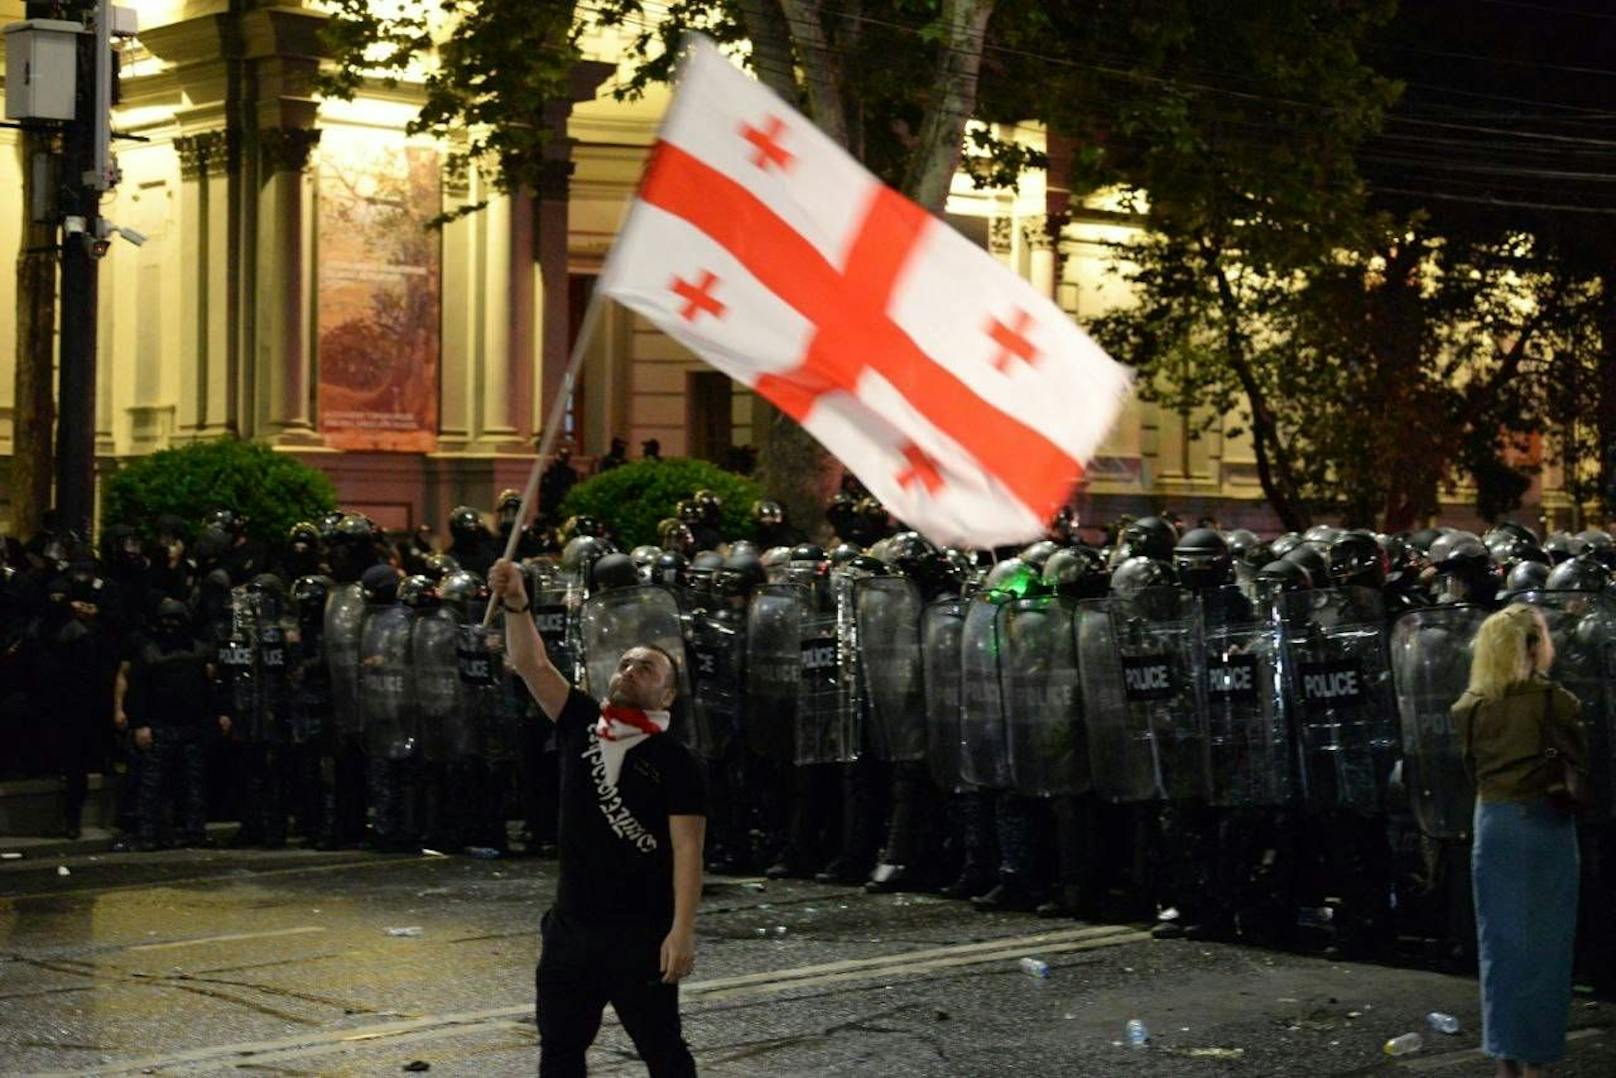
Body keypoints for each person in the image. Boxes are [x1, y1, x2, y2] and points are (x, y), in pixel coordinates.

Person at [490, 557, 705, 1078]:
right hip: (571, 929)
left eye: (647, 668)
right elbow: (532, 665)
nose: (631, 671)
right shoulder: (582, 720)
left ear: (667, 695)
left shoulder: (676, 760)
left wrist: (682, 931)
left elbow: (688, 850)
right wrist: (517, 602)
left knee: (664, 1054)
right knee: (560, 1052)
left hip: (639, 936)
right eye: (626, 664)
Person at [1453, 604, 1587, 1078]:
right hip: (1543, 825)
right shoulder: (1557, 702)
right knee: (1545, 949)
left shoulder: (1468, 708)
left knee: (1499, 945)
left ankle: (1504, 1057)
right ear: (1533, 647)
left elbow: (1469, 772)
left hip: (1492, 824)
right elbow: (1581, 763)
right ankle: (1536, 1060)